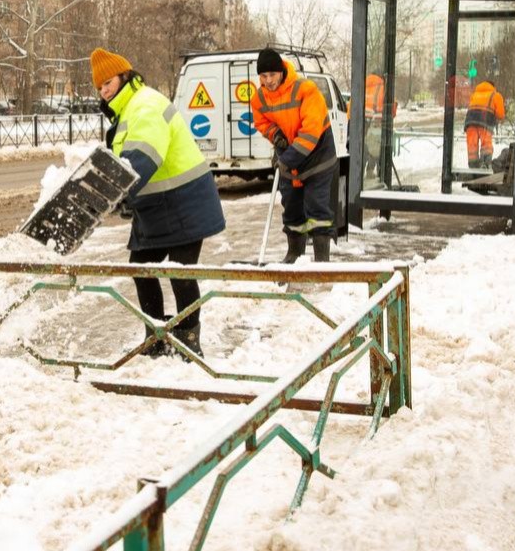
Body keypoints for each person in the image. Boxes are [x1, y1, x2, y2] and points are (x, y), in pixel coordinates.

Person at [91, 48, 225, 358]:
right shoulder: (127, 109)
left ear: (125, 76)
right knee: (142, 268)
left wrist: (117, 189)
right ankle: (156, 335)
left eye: (108, 82)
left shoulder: (145, 105)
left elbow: (143, 156)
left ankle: (189, 340)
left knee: (180, 272)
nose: (104, 91)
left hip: (184, 201)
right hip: (158, 207)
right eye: (99, 87)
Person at [252, 47, 338, 263]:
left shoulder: (305, 90)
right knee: (291, 204)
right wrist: (276, 135)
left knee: (315, 205)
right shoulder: (260, 97)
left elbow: (310, 133)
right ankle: (294, 253)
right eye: (263, 75)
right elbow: (261, 122)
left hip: (317, 155)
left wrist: (286, 159)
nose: (268, 80)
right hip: (290, 152)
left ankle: (321, 261)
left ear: (281, 71)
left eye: (272, 74)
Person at [464, 80, 505, 168]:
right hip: (485, 121)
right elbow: (500, 114)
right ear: (493, 87)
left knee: (472, 145)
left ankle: (473, 165)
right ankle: (485, 164)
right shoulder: (496, 95)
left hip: (470, 121)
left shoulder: (475, 94)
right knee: (486, 144)